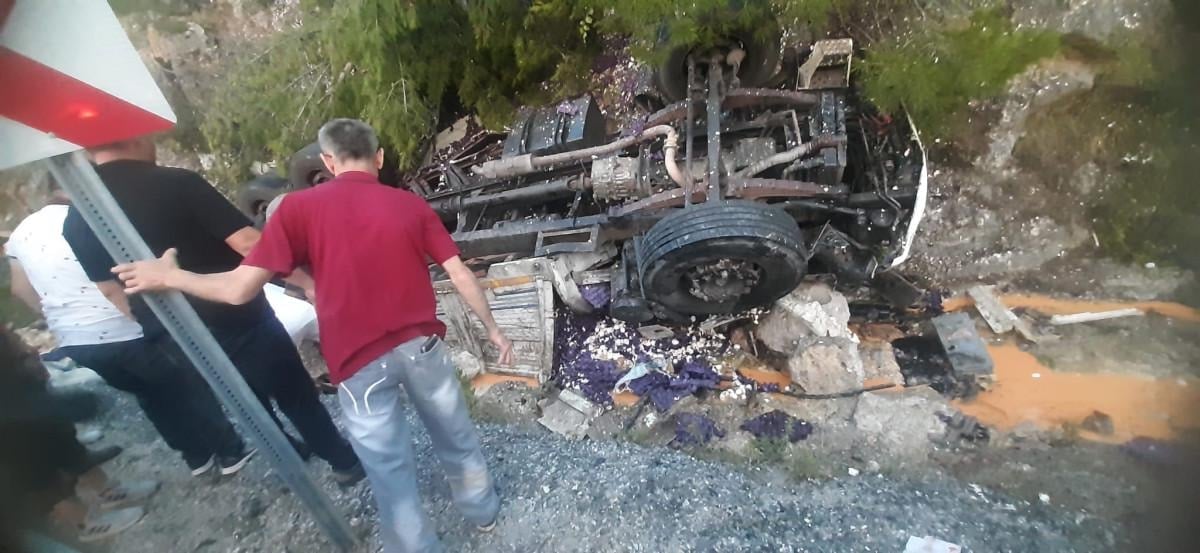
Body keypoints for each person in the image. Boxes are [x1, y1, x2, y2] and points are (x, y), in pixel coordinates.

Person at [114, 118, 514, 553]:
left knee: (389, 469)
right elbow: (460, 274)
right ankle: (482, 511)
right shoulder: (409, 205)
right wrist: (494, 331)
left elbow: (237, 289)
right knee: (455, 434)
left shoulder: (297, 210)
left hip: (358, 363)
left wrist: (172, 277)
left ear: (327, 161)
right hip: (422, 348)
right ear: (379, 157)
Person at [61, 137, 363, 484]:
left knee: (243, 401)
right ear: (136, 138)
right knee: (293, 392)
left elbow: (110, 290)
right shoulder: (176, 183)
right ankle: (342, 462)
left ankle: (290, 457)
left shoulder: (78, 219)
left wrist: (152, 323)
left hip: (173, 334)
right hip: (236, 314)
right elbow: (248, 244)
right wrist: (307, 282)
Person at [6, 198, 251, 477]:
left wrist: (59, 318)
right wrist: (141, 321)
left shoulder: (19, 237)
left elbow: (19, 288)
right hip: (121, 329)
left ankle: (197, 458)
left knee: (150, 395)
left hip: (77, 341)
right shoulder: (86, 219)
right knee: (188, 385)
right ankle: (230, 452)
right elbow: (112, 286)